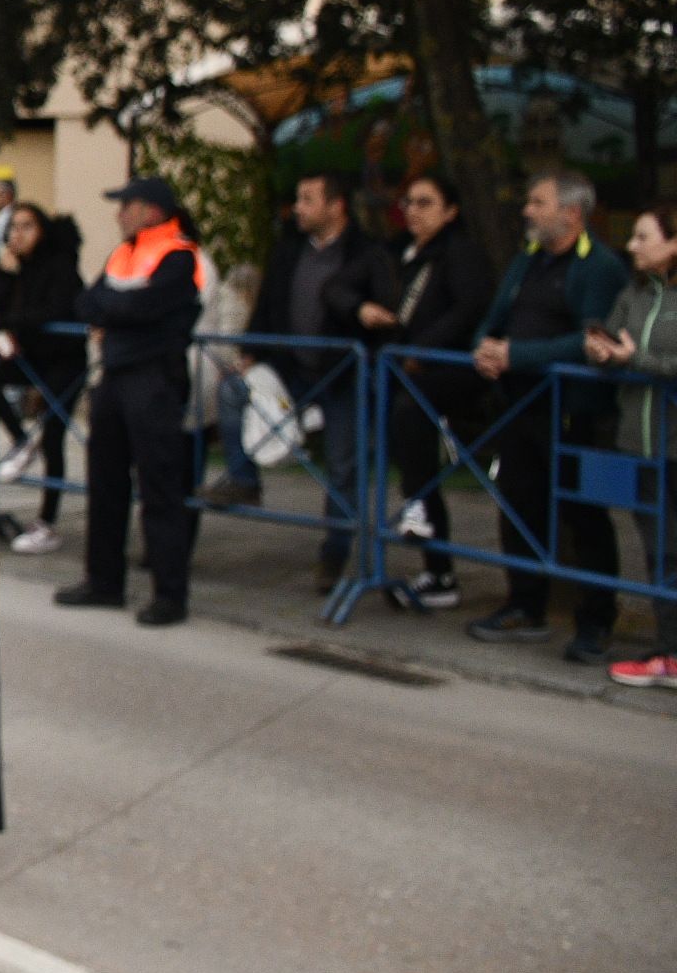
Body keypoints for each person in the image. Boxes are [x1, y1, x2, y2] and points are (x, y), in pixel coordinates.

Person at [203, 171, 397, 591]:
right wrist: (251, 350)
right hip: (291, 368)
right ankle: (244, 480)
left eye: (308, 199)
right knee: (233, 391)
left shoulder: (366, 252)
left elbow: (383, 310)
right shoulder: (290, 249)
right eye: (297, 198)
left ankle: (335, 554)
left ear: (336, 204)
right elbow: (270, 299)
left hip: (344, 374)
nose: (299, 208)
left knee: (343, 465)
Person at [467, 170, 630, 664]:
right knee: (519, 504)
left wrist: (516, 353)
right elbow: (493, 318)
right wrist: (484, 349)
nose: (527, 211)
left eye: (537, 202)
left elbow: (590, 341)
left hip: (574, 413)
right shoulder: (527, 259)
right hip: (522, 405)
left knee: (585, 516)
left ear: (572, 214)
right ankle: (523, 604)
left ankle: (596, 620)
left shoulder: (598, 266)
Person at [61, 177, 206, 625]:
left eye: (126, 204)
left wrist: (112, 312)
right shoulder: (123, 253)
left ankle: (170, 594)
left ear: (153, 209)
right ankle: (104, 582)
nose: (119, 213)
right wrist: (114, 311)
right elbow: (85, 302)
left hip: (154, 378)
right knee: (105, 483)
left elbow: (142, 310)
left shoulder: (179, 254)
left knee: (160, 488)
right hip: (117, 375)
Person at [363, 172, 499, 611]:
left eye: (425, 203)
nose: (413, 211)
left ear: (451, 211)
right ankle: (431, 553)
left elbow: (468, 307)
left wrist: (423, 347)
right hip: (408, 371)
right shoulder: (406, 254)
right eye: (409, 202)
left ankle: (423, 518)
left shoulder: (461, 254)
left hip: (453, 372)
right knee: (407, 438)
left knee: (410, 417)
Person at [589, 205, 677, 686]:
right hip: (641, 444)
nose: (632, 245)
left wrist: (635, 358)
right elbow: (609, 333)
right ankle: (668, 652)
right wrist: (598, 349)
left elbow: (654, 358)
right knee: (661, 552)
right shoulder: (635, 292)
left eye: (643, 237)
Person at [0, 202, 85, 553]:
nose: (17, 235)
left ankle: (48, 522)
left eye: (26, 226)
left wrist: (7, 322)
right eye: (13, 227)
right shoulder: (18, 268)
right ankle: (23, 443)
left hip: (65, 360)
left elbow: (50, 311)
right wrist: (6, 274)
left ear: (42, 231)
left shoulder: (61, 266)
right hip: (33, 358)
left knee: (54, 438)